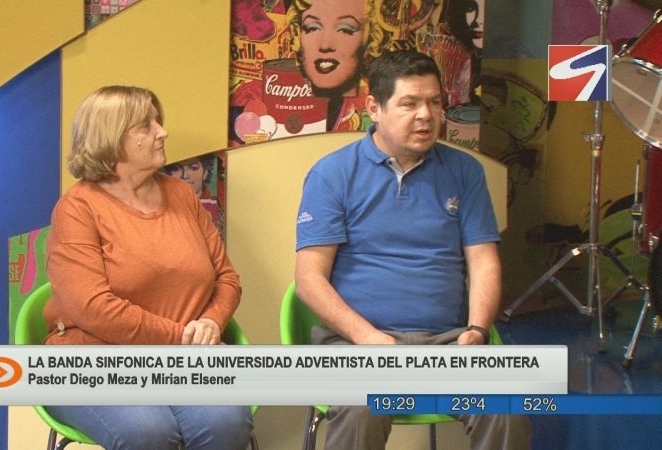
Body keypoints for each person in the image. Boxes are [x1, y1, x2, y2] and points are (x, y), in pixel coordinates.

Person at [294, 50, 532, 450]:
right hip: (358, 344)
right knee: (362, 403)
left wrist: (476, 330)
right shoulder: (332, 174)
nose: (426, 115)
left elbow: (484, 262)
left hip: (448, 341)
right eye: (409, 103)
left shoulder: (465, 171)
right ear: (375, 108)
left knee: (506, 403)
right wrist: (369, 339)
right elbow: (308, 279)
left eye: (434, 102)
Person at [42, 86, 253, 450]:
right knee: (148, 432)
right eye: (146, 125)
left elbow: (226, 279)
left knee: (228, 423)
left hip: (181, 361)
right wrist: (183, 339)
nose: (162, 132)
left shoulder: (181, 194)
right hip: (90, 359)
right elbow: (92, 308)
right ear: (111, 137)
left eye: (158, 121)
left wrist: (211, 322)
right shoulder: (77, 208)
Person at [286, 0, 388, 131]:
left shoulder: (380, 107)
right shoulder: (281, 98)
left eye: (345, 30)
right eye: (313, 28)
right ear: (297, 34)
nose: (325, 45)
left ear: (369, 38)